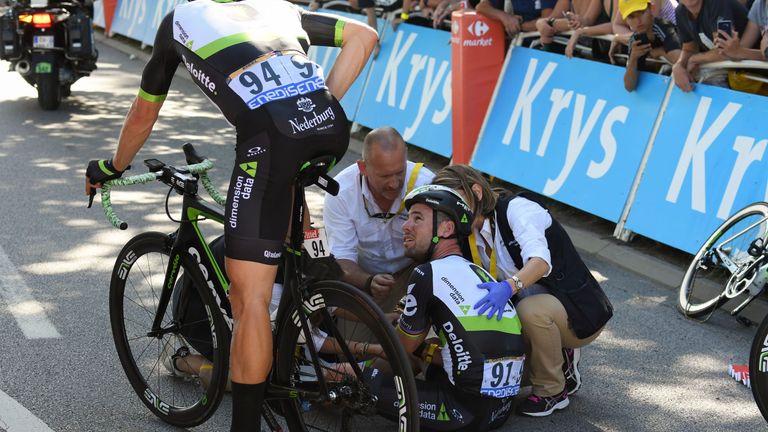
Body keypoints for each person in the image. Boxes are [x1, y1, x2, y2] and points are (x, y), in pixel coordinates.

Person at [84, 1, 378, 430]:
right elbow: (364, 37)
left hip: (272, 141)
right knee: (284, 241)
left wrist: (111, 168)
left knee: (251, 302)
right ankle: (298, 311)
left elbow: (145, 111)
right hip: (329, 126)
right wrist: (315, 107)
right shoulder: (280, 8)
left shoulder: (179, 22)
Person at [431, 165, 613, 417]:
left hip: (577, 310)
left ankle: (553, 390)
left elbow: (540, 262)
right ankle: (559, 358)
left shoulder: (518, 209)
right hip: (532, 307)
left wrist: (507, 287)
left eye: (456, 200)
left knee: (531, 311)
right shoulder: (466, 230)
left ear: (476, 191)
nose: (452, 210)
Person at [374, 184, 525, 431]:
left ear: (446, 228)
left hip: (462, 413)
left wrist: (353, 350)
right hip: (501, 411)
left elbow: (400, 350)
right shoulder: (479, 272)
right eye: (408, 218)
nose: (405, 226)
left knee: (356, 379)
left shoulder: (426, 273)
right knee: (435, 357)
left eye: (417, 218)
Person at [323, 127, 434, 316]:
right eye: (384, 176)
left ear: (405, 155)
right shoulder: (340, 192)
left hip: (414, 271)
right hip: (361, 276)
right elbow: (342, 257)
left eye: (400, 172)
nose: (394, 183)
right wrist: (368, 281)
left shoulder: (426, 184)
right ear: (363, 168)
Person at [672, 0, 749, 92]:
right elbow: (689, 48)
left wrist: (695, 59)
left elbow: (726, 51)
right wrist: (678, 65)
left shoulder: (717, 3)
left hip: (756, 68)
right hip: (734, 69)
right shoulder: (680, 11)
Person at [619, 0, 681, 91]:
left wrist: (660, 52)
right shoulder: (635, 40)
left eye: (642, 12)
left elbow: (680, 59)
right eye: (631, 17)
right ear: (626, 21)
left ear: (651, 9)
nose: (638, 21)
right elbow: (629, 86)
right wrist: (633, 59)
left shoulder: (663, 26)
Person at [476, 0, 558, 38]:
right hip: (519, 42)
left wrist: (517, 25)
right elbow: (481, 7)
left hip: (545, 42)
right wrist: (505, 17)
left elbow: (547, 21)